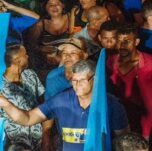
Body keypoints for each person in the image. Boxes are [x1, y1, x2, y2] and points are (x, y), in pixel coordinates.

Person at [0, 60, 129, 151]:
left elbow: (123, 142)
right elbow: (27, 118)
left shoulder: (111, 104)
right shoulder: (61, 100)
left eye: (82, 80)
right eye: (74, 80)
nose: (77, 85)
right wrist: (5, 103)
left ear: (95, 80)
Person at [107, 24, 152, 137]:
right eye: (119, 41)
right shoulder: (110, 62)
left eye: (127, 41)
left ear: (136, 42)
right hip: (121, 125)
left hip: (148, 126)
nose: (122, 45)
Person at [0, 45, 45, 149]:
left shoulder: (31, 75)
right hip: (13, 144)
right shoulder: (1, 85)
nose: (28, 56)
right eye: (25, 55)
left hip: (37, 140)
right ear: (17, 61)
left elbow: (43, 104)